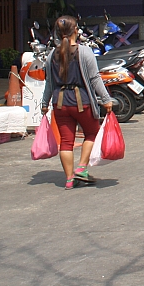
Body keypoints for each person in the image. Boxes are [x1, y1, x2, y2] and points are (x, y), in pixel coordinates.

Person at [40, 16, 113, 190]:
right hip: (82, 102)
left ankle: (69, 179)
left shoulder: (52, 55)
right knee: (92, 133)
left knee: (66, 141)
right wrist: (106, 99)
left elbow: (49, 83)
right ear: (75, 31)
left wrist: (44, 104)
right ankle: (81, 168)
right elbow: (95, 79)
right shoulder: (84, 52)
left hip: (60, 104)